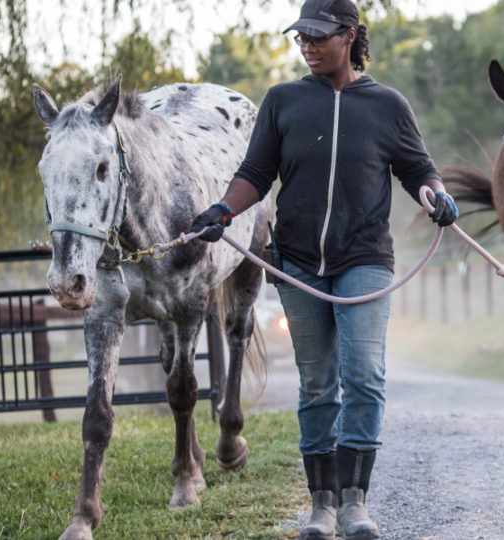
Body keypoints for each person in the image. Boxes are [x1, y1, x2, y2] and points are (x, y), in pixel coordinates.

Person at [190, 1, 458, 538]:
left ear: (350, 36)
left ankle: (356, 502)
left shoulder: (387, 105)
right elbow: (256, 172)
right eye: (301, 38)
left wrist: (437, 197)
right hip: (298, 264)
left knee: (364, 376)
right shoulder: (283, 101)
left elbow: (418, 170)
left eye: (318, 36)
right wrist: (223, 209)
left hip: (364, 260)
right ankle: (322, 505)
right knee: (317, 384)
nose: (308, 46)